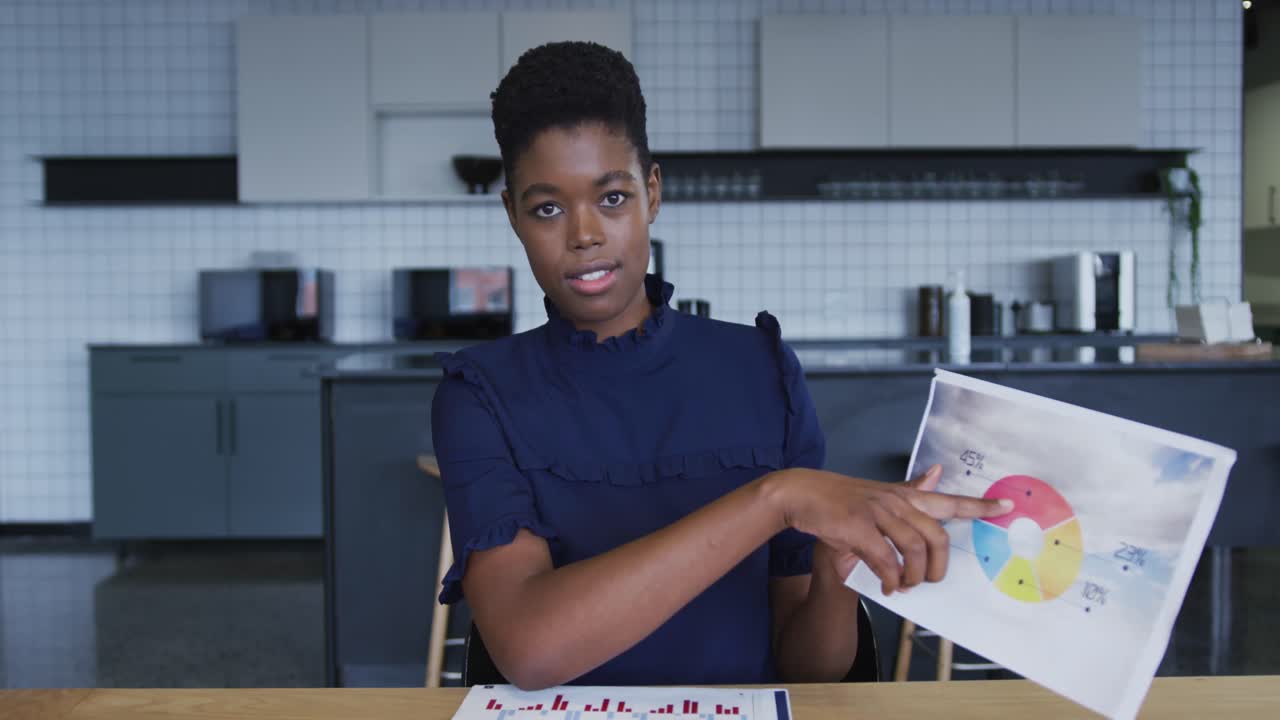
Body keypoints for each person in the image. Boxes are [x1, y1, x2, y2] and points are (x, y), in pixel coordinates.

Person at [431, 41, 1010, 691]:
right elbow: (531, 651)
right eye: (548, 208)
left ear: (652, 193)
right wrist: (775, 499)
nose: (584, 234)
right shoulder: (480, 394)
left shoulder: (760, 370)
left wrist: (833, 579)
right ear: (513, 215)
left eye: (613, 197)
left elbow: (809, 670)